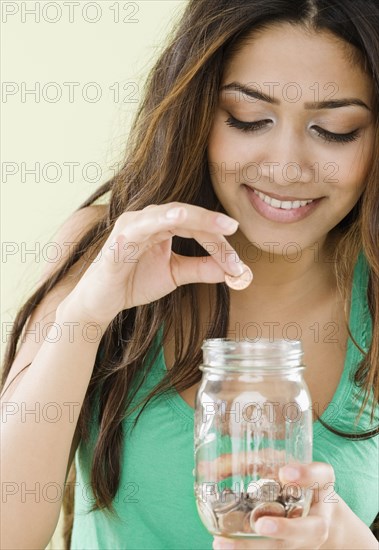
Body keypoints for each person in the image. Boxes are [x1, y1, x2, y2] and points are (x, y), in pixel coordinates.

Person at [1, 0, 378, 548]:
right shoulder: (102, 251)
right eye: (248, 119)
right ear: (198, 114)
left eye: (336, 130)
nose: (284, 166)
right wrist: (86, 315)